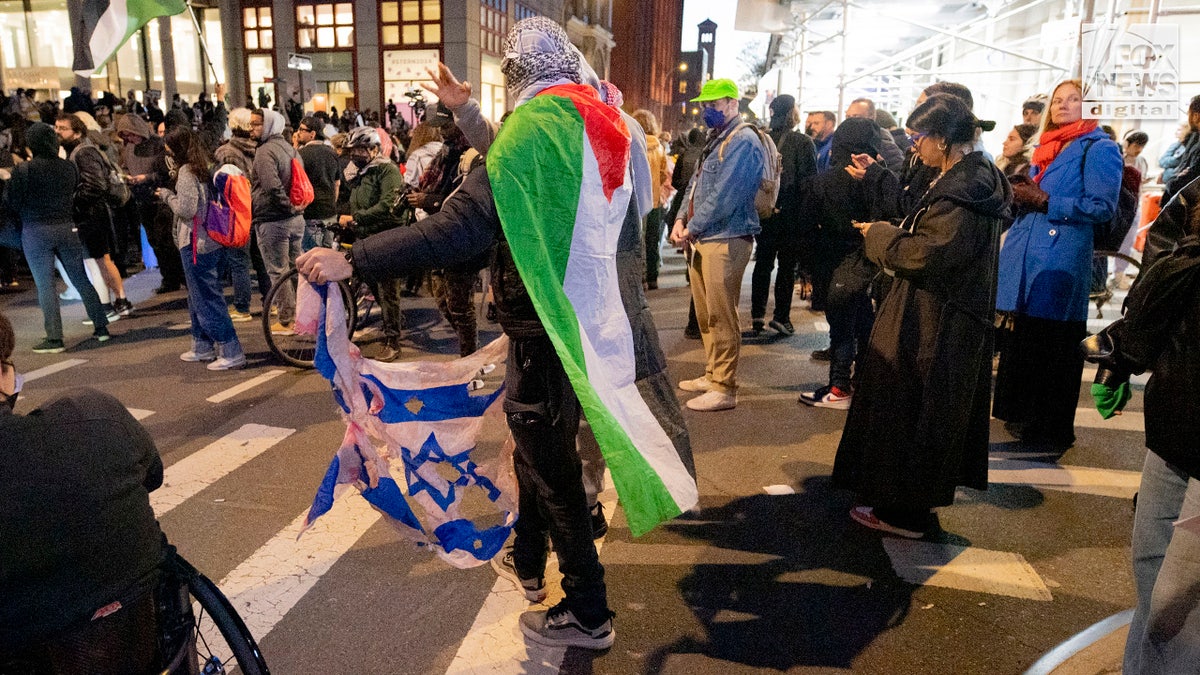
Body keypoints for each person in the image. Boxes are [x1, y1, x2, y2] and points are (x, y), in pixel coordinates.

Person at [298, 18, 690, 649]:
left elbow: (465, 222)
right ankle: (530, 562)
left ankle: (589, 612)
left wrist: (356, 258)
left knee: (549, 461)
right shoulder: (602, 116)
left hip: (546, 324)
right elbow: (526, 171)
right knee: (537, 443)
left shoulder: (533, 132)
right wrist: (466, 111)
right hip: (593, 319)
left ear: (516, 79)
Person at [833, 94, 1011, 538]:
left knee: (915, 409)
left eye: (920, 138)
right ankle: (903, 501)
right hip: (939, 315)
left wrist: (879, 234)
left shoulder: (964, 189)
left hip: (935, 320)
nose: (915, 147)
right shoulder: (969, 178)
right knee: (917, 409)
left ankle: (906, 512)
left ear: (944, 139)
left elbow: (925, 254)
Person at [1084, 192, 1200, 674]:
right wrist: (1123, 359)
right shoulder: (1194, 196)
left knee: (1181, 597)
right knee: (1152, 573)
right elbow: (1165, 279)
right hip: (1177, 415)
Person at [993, 79, 1123, 450]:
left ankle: (1050, 427)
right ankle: (1025, 416)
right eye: (1057, 100)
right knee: (1028, 336)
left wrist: (1046, 198)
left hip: (1060, 256)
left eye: (1073, 100)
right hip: (1027, 253)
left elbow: (1102, 207)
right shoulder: (1047, 147)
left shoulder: (1099, 148)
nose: (1062, 106)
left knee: (1054, 342)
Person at [670, 78, 767, 412]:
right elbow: (694, 187)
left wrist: (690, 227)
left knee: (722, 314)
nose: (707, 111)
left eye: (713, 105)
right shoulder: (718, 139)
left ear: (732, 103)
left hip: (726, 237)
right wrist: (681, 221)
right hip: (705, 237)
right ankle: (713, 375)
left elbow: (726, 195)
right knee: (707, 314)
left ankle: (725, 386)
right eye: (705, 105)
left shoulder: (743, 141)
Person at [797, 118, 881, 410]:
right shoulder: (880, 182)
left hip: (833, 264)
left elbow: (805, 228)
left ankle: (839, 386)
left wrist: (807, 267)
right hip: (872, 264)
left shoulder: (822, 184)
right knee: (866, 325)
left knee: (841, 329)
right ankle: (867, 384)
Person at [4, 122, 110, 352]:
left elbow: (12, 202)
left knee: (46, 286)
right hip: (66, 227)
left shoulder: (25, 170)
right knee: (81, 278)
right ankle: (101, 326)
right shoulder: (68, 167)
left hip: (35, 230)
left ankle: (55, 338)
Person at [157, 128, 246, 370]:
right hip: (213, 240)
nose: (165, 150)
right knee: (198, 296)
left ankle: (231, 349)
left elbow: (187, 209)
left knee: (207, 299)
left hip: (197, 243)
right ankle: (202, 345)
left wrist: (167, 196)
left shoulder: (186, 172)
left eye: (168, 146)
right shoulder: (206, 165)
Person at [338, 126, 407, 361]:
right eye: (351, 150)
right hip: (365, 238)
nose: (353, 154)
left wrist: (357, 218)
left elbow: (388, 205)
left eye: (359, 149)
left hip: (387, 237)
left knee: (388, 290)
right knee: (373, 286)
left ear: (373, 149)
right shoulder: (357, 173)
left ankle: (393, 341)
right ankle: (393, 321)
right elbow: (353, 201)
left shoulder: (387, 171)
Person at [750, 94, 816, 335]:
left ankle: (757, 315)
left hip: (765, 213)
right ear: (793, 113)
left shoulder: (760, 140)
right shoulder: (803, 142)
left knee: (763, 263)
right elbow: (809, 183)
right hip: (792, 214)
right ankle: (781, 317)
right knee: (786, 267)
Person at [56, 113, 132, 318]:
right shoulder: (83, 151)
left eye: (63, 128)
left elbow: (95, 185)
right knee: (102, 260)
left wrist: (74, 203)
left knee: (95, 261)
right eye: (56, 127)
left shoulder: (82, 153)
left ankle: (107, 307)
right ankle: (121, 301)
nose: (57, 132)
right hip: (96, 213)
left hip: (92, 215)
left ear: (77, 132)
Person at [251, 108, 306, 334]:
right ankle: (302, 315)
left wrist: (286, 205)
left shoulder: (265, 152)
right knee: (295, 269)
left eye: (256, 124)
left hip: (274, 219)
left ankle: (286, 319)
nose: (252, 128)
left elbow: (272, 186)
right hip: (295, 219)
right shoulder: (291, 149)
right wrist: (294, 207)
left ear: (270, 125)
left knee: (278, 271)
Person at [117, 113, 183, 293]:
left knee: (168, 240)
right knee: (155, 241)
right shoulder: (129, 148)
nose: (131, 138)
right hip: (142, 199)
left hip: (161, 198)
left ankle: (179, 276)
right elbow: (124, 165)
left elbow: (168, 171)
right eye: (126, 135)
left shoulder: (158, 144)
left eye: (132, 133)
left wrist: (147, 177)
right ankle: (169, 279)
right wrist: (127, 177)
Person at [214, 107, 268, 321]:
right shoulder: (262, 148)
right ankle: (270, 302)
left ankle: (242, 307)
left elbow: (221, 185)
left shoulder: (226, 152)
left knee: (239, 261)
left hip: (237, 212)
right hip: (259, 208)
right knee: (261, 259)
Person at [631, 109, 670, 290]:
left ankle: (641, 278)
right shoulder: (660, 148)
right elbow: (663, 175)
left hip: (637, 200)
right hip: (655, 200)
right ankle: (653, 277)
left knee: (638, 240)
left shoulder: (633, 143)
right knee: (653, 239)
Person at [296, 116, 342, 251]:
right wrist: (332, 202)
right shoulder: (332, 153)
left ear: (312, 134)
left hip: (310, 212)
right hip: (330, 212)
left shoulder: (300, 154)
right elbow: (337, 183)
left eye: (302, 129)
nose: (298, 132)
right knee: (329, 254)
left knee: (313, 255)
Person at [845, 97, 905, 169]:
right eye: (848, 117)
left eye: (856, 116)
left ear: (871, 117)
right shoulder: (846, 143)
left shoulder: (885, 146)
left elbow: (898, 175)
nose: (850, 122)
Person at [1163, 95, 1200, 203]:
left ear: (1196, 116)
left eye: (1188, 114)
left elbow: (1190, 180)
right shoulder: (1195, 137)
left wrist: (1172, 182)